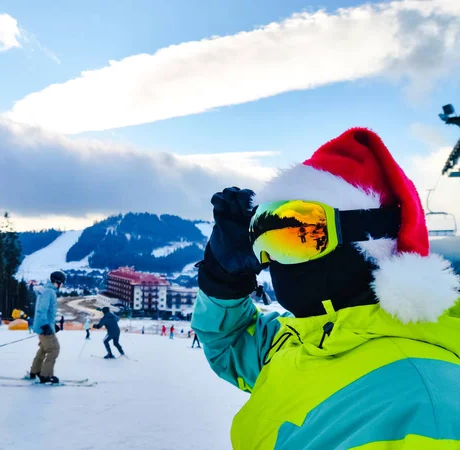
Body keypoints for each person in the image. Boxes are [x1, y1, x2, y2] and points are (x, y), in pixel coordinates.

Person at [192, 128, 460, 449]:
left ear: (369, 243)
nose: (276, 262)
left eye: (299, 235)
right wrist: (223, 280)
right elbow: (229, 343)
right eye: (270, 241)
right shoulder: (302, 341)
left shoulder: (421, 404)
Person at [29, 270, 65, 384]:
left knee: (44, 348)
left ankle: (35, 371)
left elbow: (46, 311)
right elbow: (42, 310)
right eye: (62, 283)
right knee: (54, 349)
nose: (62, 285)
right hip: (43, 326)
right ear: (57, 282)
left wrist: (52, 325)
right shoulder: (49, 292)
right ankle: (46, 375)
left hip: (44, 325)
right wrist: (45, 325)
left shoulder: (46, 290)